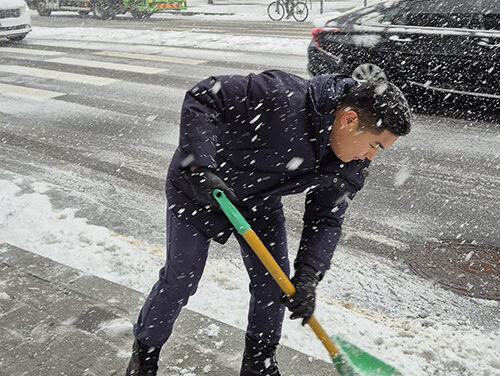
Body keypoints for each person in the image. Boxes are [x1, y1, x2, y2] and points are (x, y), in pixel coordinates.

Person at [125, 70, 411, 376]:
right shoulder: (283, 96)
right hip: (200, 189)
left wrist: (308, 276)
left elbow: (326, 218)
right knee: (181, 280)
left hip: (259, 201)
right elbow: (206, 95)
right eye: (375, 145)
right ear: (349, 120)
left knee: (274, 284)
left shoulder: (349, 165)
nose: (370, 157)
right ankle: (145, 357)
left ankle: (258, 364)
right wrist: (199, 165)